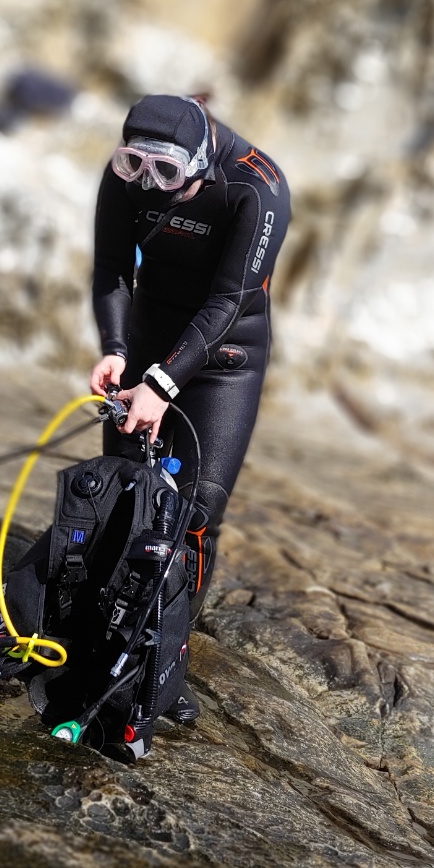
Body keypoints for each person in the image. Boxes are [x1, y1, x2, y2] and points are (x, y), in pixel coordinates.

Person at [90, 92, 291, 672]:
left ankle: (165, 652)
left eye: (169, 174)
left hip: (226, 356)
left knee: (196, 509)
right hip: (148, 339)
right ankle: (95, 625)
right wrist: (116, 350)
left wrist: (161, 385)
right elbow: (111, 268)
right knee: (121, 491)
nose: (148, 183)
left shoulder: (258, 188)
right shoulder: (129, 172)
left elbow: (230, 299)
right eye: (135, 166)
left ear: (200, 162)